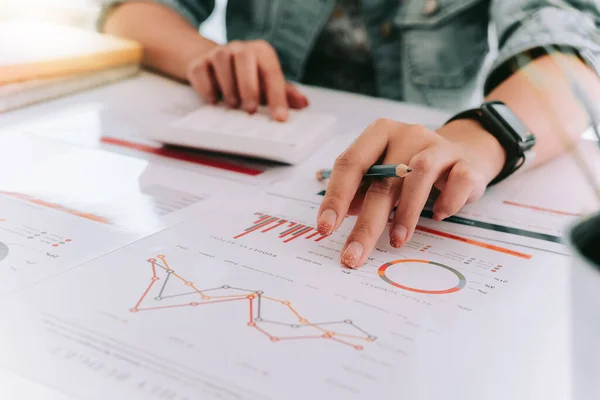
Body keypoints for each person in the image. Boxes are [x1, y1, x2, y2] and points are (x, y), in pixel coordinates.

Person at [103, 0, 600, 268]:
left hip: (431, 161)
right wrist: (201, 57)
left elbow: (571, 47)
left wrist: (478, 137)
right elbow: (129, 11)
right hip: (251, 155)